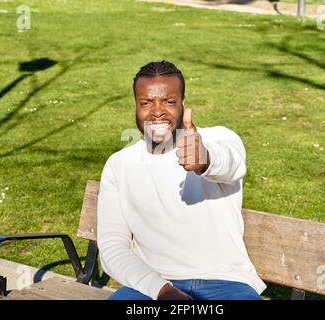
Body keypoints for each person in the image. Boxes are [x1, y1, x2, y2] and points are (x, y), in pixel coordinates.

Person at [97, 60, 266, 300]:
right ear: (136, 105)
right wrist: (162, 290)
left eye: (168, 101)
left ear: (183, 104)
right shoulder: (119, 164)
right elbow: (113, 247)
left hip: (227, 284)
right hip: (152, 285)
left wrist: (206, 160)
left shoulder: (218, 138)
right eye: (146, 103)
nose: (156, 111)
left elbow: (232, 163)